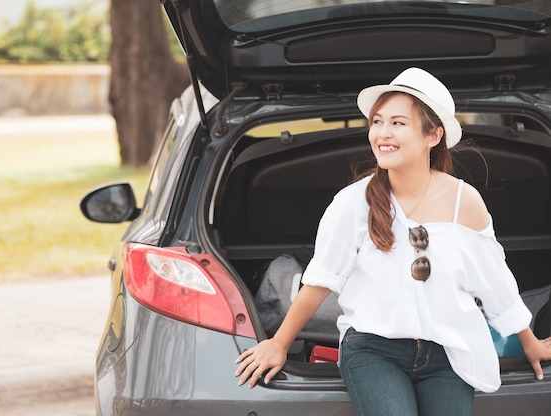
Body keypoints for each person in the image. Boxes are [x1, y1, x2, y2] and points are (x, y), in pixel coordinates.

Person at [235, 67, 551, 415]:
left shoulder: (466, 201)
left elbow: (495, 282)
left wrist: (529, 342)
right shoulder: (352, 203)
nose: (382, 133)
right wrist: (279, 343)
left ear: (433, 135)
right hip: (373, 351)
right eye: (377, 122)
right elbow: (319, 281)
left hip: (448, 353)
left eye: (398, 123)